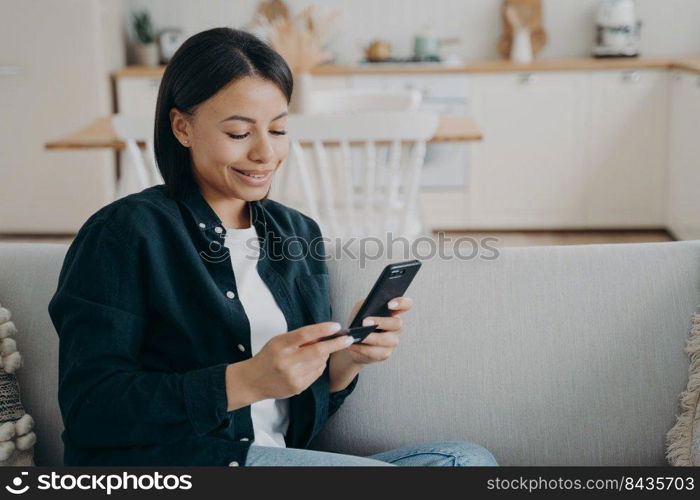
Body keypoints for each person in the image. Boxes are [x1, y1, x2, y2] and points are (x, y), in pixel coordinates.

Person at [48, 27, 498, 467]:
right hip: (173, 467)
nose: (266, 153)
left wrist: (346, 360)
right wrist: (239, 382)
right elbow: (91, 409)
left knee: (466, 459)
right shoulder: (125, 232)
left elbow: (293, 421)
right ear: (183, 127)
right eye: (240, 133)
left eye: (278, 130)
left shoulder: (296, 233)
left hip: (270, 461)